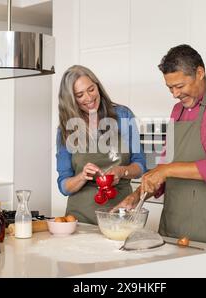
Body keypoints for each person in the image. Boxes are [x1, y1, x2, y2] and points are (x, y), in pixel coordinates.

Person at [115, 45, 206, 247]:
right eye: (170, 88)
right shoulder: (177, 111)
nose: (175, 94)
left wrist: (166, 169)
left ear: (199, 73)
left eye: (180, 86)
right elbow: (165, 165)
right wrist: (137, 195)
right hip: (174, 227)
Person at [56, 65, 146, 224]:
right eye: (80, 95)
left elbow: (140, 165)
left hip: (119, 213)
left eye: (91, 89)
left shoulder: (123, 115)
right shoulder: (67, 129)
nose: (89, 98)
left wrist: (122, 171)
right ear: (71, 100)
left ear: (98, 86)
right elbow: (64, 186)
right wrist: (82, 177)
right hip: (79, 219)